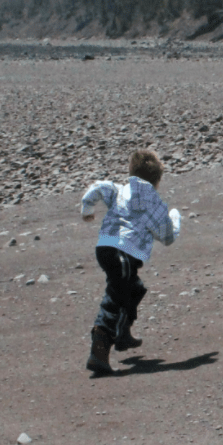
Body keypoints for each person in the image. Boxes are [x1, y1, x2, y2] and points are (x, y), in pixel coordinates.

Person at [80, 149, 181, 375]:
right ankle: (100, 348)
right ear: (157, 180)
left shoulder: (120, 189)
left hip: (105, 246)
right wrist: (175, 217)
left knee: (134, 288)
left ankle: (123, 334)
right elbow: (167, 237)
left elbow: (98, 187)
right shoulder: (154, 204)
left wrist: (87, 209)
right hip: (124, 253)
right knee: (116, 295)